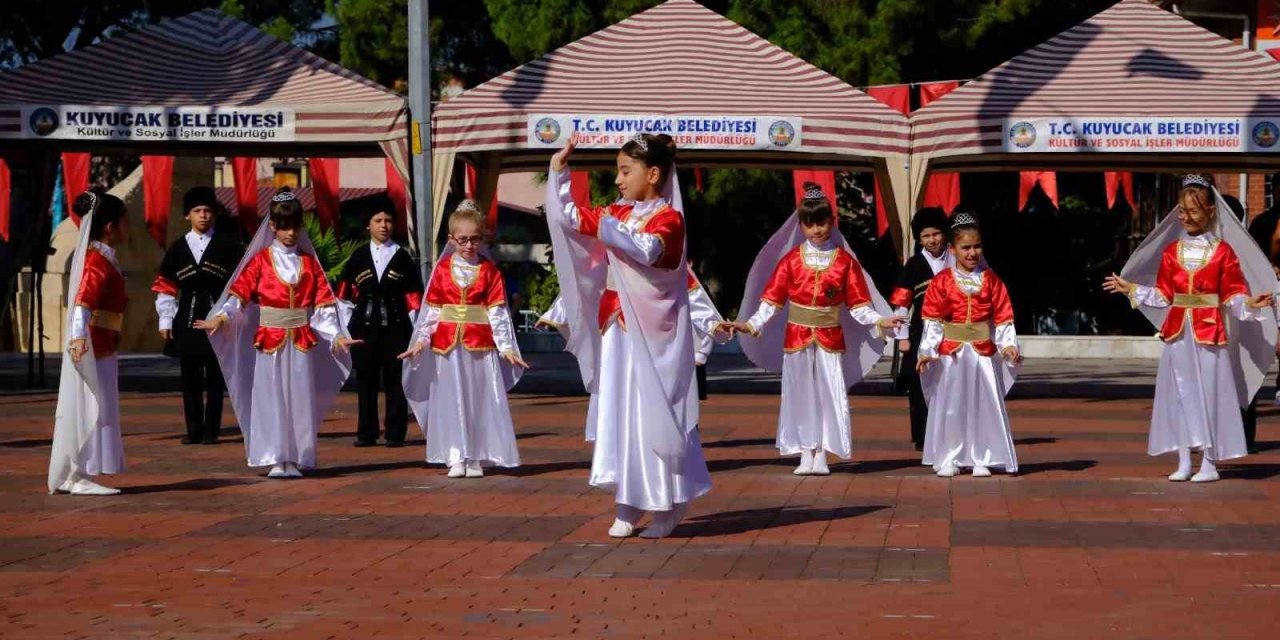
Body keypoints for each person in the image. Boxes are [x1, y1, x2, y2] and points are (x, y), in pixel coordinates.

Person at [546, 132, 710, 539]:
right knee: (621, 413)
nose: (618, 180)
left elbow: (648, 252)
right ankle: (628, 501)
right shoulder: (616, 213)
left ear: (652, 174)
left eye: (625, 170)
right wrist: (559, 171)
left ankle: (667, 502)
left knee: (653, 413)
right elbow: (568, 217)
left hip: (654, 336)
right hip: (617, 329)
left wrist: (606, 224)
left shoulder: (669, 220)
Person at [1104, 175, 1276, 482]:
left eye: (1194, 211)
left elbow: (1232, 294)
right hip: (1178, 334)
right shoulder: (1172, 252)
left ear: (1210, 211)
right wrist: (1131, 289)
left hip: (1209, 333)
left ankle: (1209, 462)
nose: (1186, 217)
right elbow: (1164, 295)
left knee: (1208, 395)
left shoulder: (1223, 252)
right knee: (1180, 395)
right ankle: (1184, 460)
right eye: (1182, 211)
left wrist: (1249, 303)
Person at [728, 183, 901, 475]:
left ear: (832, 222)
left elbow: (859, 304)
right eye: (810, 224)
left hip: (830, 338)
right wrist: (749, 324)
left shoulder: (845, 262)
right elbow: (772, 301)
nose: (817, 230)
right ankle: (804, 452)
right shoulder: (791, 260)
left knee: (828, 394)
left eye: (821, 223)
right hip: (796, 337)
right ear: (801, 226)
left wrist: (880, 320)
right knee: (799, 394)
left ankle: (822, 452)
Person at [199, 190, 358, 479]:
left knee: (299, 397)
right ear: (272, 226)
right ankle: (274, 456)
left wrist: (336, 335)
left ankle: (295, 457)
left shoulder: (309, 264)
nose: (290, 232)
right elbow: (238, 299)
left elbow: (323, 308)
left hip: (300, 341)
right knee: (270, 397)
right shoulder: (259, 261)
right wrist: (221, 317)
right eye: (284, 226)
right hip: (269, 340)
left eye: (295, 226)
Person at [399, 199, 528, 478]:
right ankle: (455, 454)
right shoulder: (442, 270)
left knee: (479, 398)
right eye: (463, 239)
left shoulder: (490, 272)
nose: (469, 245)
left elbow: (498, 312)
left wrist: (506, 347)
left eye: (475, 239)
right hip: (447, 346)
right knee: (451, 399)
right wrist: (420, 340)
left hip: (480, 346)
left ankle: (477, 454)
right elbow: (431, 310)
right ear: (451, 239)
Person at [917, 212, 1022, 477]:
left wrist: (1008, 346)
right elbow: (932, 321)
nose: (972, 253)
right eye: (966, 247)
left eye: (977, 246)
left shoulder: (992, 281)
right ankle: (950, 456)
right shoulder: (941, 282)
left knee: (982, 404)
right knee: (952, 405)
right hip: (951, 354)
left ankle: (981, 456)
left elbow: (1003, 318)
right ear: (952, 249)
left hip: (982, 355)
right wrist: (927, 351)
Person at [49, 190, 131, 496]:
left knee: (99, 405)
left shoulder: (104, 258)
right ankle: (77, 471)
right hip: (94, 344)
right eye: (125, 221)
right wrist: (80, 336)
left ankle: (80, 469)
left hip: (103, 342)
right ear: (110, 226)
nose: (128, 228)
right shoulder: (97, 261)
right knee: (88, 404)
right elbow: (84, 300)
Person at [152, 187, 243, 445]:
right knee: (189, 377)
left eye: (207, 211)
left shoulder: (229, 245)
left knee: (216, 377)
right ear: (187, 216)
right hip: (187, 317)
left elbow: (239, 286)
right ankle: (193, 430)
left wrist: (226, 316)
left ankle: (211, 431)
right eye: (197, 211)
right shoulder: (177, 249)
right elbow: (166, 287)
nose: (203, 215)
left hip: (218, 317)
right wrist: (165, 320)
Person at [336, 197, 424, 448]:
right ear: (368, 225)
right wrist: (342, 330)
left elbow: (414, 299)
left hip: (397, 327)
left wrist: (416, 333)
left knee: (395, 380)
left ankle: (395, 433)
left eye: (388, 220)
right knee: (366, 380)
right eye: (378, 220)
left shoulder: (403, 257)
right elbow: (344, 297)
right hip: (364, 328)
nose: (383, 225)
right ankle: (366, 432)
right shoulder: (358, 257)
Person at [889, 208, 953, 451]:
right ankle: (923, 436)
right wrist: (902, 337)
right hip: (921, 332)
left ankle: (950, 431)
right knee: (920, 384)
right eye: (926, 236)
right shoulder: (914, 264)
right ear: (919, 239)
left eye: (936, 233)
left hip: (952, 330)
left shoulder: (955, 257)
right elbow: (901, 303)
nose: (932, 240)